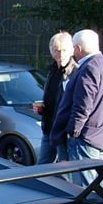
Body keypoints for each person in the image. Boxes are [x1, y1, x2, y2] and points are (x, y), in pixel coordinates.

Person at [50, 29, 103, 187]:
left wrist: (73, 131)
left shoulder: (89, 67)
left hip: (86, 138)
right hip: (98, 136)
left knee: (85, 189)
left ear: (78, 48)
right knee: (93, 186)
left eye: (73, 47)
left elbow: (83, 105)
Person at [34, 32, 78, 164]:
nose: (61, 54)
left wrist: (70, 129)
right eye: (57, 50)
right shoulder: (52, 70)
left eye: (64, 50)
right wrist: (41, 108)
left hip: (63, 132)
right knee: (41, 168)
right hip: (48, 128)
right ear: (52, 51)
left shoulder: (76, 72)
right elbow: (52, 98)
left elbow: (78, 104)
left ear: (71, 50)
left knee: (63, 171)